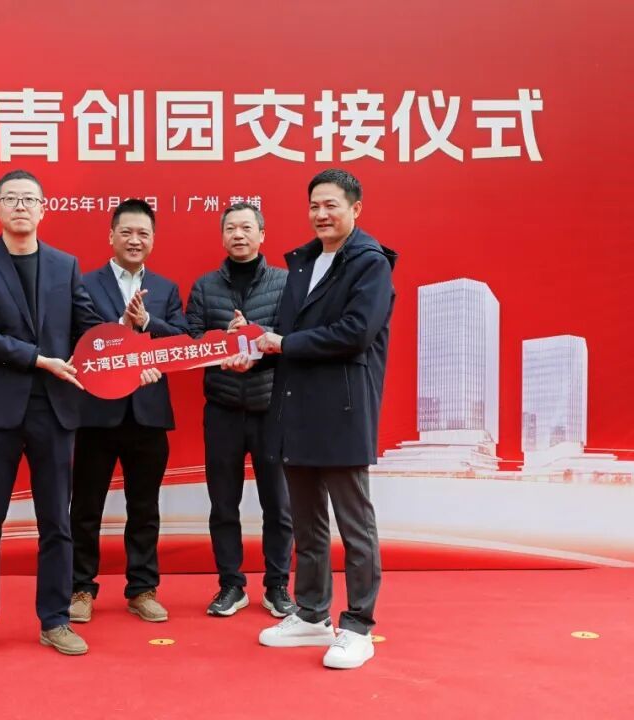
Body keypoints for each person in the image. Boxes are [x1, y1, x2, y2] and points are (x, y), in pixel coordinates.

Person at [225, 169, 397, 669]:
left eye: (331, 205)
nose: (321, 215)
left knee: (354, 524)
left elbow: (355, 333)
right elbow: (290, 337)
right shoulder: (304, 263)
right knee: (307, 523)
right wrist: (256, 349)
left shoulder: (370, 264)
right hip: (295, 409)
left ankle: (358, 625)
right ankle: (312, 613)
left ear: (355, 208)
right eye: (314, 206)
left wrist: (281, 342)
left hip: (343, 412)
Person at [0, 169, 103, 657]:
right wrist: (40, 359)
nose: (20, 206)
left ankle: (55, 620)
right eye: (11, 199)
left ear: (44, 209)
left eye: (29, 199)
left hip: (54, 410)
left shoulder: (65, 265)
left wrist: (125, 341)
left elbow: (87, 328)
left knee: (56, 521)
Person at [69, 199, 187, 624]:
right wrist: (122, 329)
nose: (135, 240)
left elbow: (182, 340)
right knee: (86, 508)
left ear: (153, 239)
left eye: (143, 234)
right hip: (97, 413)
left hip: (148, 413)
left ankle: (142, 588)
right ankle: (80, 588)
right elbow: (79, 338)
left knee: (144, 508)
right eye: (127, 232)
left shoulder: (166, 288)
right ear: (111, 236)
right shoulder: (84, 284)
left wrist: (148, 321)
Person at [185, 202, 297, 618]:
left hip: (271, 408)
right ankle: (231, 585)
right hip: (223, 408)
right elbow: (191, 342)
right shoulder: (204, 286)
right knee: (223, 503)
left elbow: (294, 337)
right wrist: (225, 343)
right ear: (222, 236)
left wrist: (254, 339)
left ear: (262, 234)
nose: (238, 234)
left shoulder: (285, 283)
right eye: (231, 228)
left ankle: (277, 585)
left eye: (247, 227)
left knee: (278, 504)